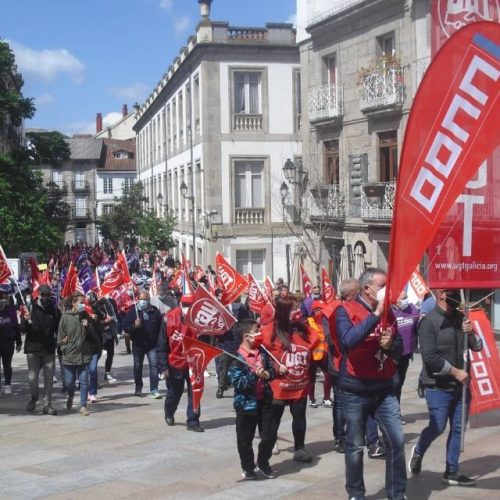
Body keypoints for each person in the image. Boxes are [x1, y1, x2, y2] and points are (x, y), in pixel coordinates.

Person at [335, 268, 406, 500]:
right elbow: (347, 342)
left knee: (396, 441)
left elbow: (399, 348)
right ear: (367, 289)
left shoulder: (390, 313)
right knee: (355, 445)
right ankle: (356, 493)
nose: (388, 291)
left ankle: (396, 493)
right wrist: (375, 314)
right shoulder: (345, 310)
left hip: (384, 387)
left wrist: (389, 345)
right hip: (355, 387)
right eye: (382, 286)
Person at [409, 289, 482, 487]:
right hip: (438, 386)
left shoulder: (461, 318)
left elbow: (478, 346)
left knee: (458, 428)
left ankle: (452, 470)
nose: (459, 297)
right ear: (441, 294)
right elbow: (430, 358)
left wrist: (471, 333)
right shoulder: (429, 322)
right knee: (437, 426)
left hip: (461, 386)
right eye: (453, 293)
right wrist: (455, 372)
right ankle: (418, 450)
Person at [261, 295, 317, 463]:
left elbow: (313, 343)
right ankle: (269, 447)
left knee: (299, 417)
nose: (298, 311)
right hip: (278, 386)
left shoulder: (302, 328)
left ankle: (300, 448)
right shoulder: (271, 330)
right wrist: (276, 367)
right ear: (284, 311)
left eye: (298, 306)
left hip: (299, 385)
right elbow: (264, 354)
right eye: (293, 308)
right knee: (273, 419)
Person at [227, 319, 278, 480]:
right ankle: (248, 467)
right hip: (246, 405)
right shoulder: (236, 358)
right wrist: (254, 374)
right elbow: (238, 382)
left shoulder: (262, 351)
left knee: (270, 435)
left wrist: (270, 373)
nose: (259, 333)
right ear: (247, 336)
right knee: (244, 440)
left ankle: (263, 462)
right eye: (256, 331)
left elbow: (270, 371)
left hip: (265, 401)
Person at [159, 295, 203, 432]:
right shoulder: (168, 319)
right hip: (175, 363)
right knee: (174, 393)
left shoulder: (199, 320)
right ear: (179, 304)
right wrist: (163, 367)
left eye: (190, 305)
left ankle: (193, 421)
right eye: (184, 305)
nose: (187, 308)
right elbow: (161, 345)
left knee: (195, 392)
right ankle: (169, 411)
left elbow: (206, 343)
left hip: (193, 363)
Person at [21, 284, 60, 415]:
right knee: (32, 378)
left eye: (48, 295)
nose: (46, 298)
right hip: (33, 349)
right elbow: (23, 329)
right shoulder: (30, 308)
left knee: (49, 378)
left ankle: (47, 404)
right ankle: (34, 397)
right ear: (38, 295)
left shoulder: (53, 309)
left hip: (48, 349)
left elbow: (58, 327)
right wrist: (26, 320)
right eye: (43, 295)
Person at [57, 292, 94, 416]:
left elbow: (93, 335)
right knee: (69, 382)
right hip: (70, 355)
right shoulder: (65, 317)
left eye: (84, 302)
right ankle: (71, 395)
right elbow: (60, 337)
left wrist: (88, 326)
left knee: (84, 382)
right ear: (74, 303)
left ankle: (83, 405)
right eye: (81, 302)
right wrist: (64, 348)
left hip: (84, 354)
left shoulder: (85, 316)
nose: (83, 305)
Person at [123, 291, 163, 398]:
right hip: (138, 344)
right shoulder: (133, 311)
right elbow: (125, 326)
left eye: (145, 299)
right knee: (137, 366)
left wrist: (160, 343)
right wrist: (134, 326)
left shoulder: (154, 311)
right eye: (141, 299)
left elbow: (161, 327)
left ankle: (154, 389)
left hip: (152, 345)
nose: (142, 301)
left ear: (149, 301)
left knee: (154, 366)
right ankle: (138, 388)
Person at [392, 289, 419, 422]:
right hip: (392, 355)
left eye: (406, 297)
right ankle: (393, 413)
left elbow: (417, 326)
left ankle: (396, 411)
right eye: (402, 298)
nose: (405, 300)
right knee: (394, 383)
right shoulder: (389, 312)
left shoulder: (412, 309)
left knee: (399, 384)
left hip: (406, 354)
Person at [0, 290, 22, 394]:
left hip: (8, 341)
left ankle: (7, 384)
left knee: (7, 364)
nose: (3, 299)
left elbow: (16, 327)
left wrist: (19, 342)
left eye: (5, 297)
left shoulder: (11, 310)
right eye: (1, 297)